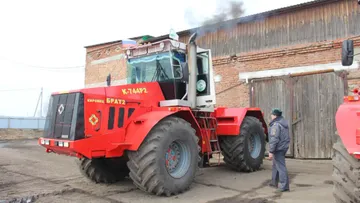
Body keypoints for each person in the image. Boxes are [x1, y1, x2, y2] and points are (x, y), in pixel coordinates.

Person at [268, 108, 290, 192]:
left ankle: (284, 186)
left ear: (275, 116)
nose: (271, 116)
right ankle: (274, 182)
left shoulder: (276, 125)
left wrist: (271, 151)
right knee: (275, 165)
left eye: (272, 114)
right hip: (283, 147)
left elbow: (274, 139)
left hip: (278, 149)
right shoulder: (283, 123)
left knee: (281, 167)